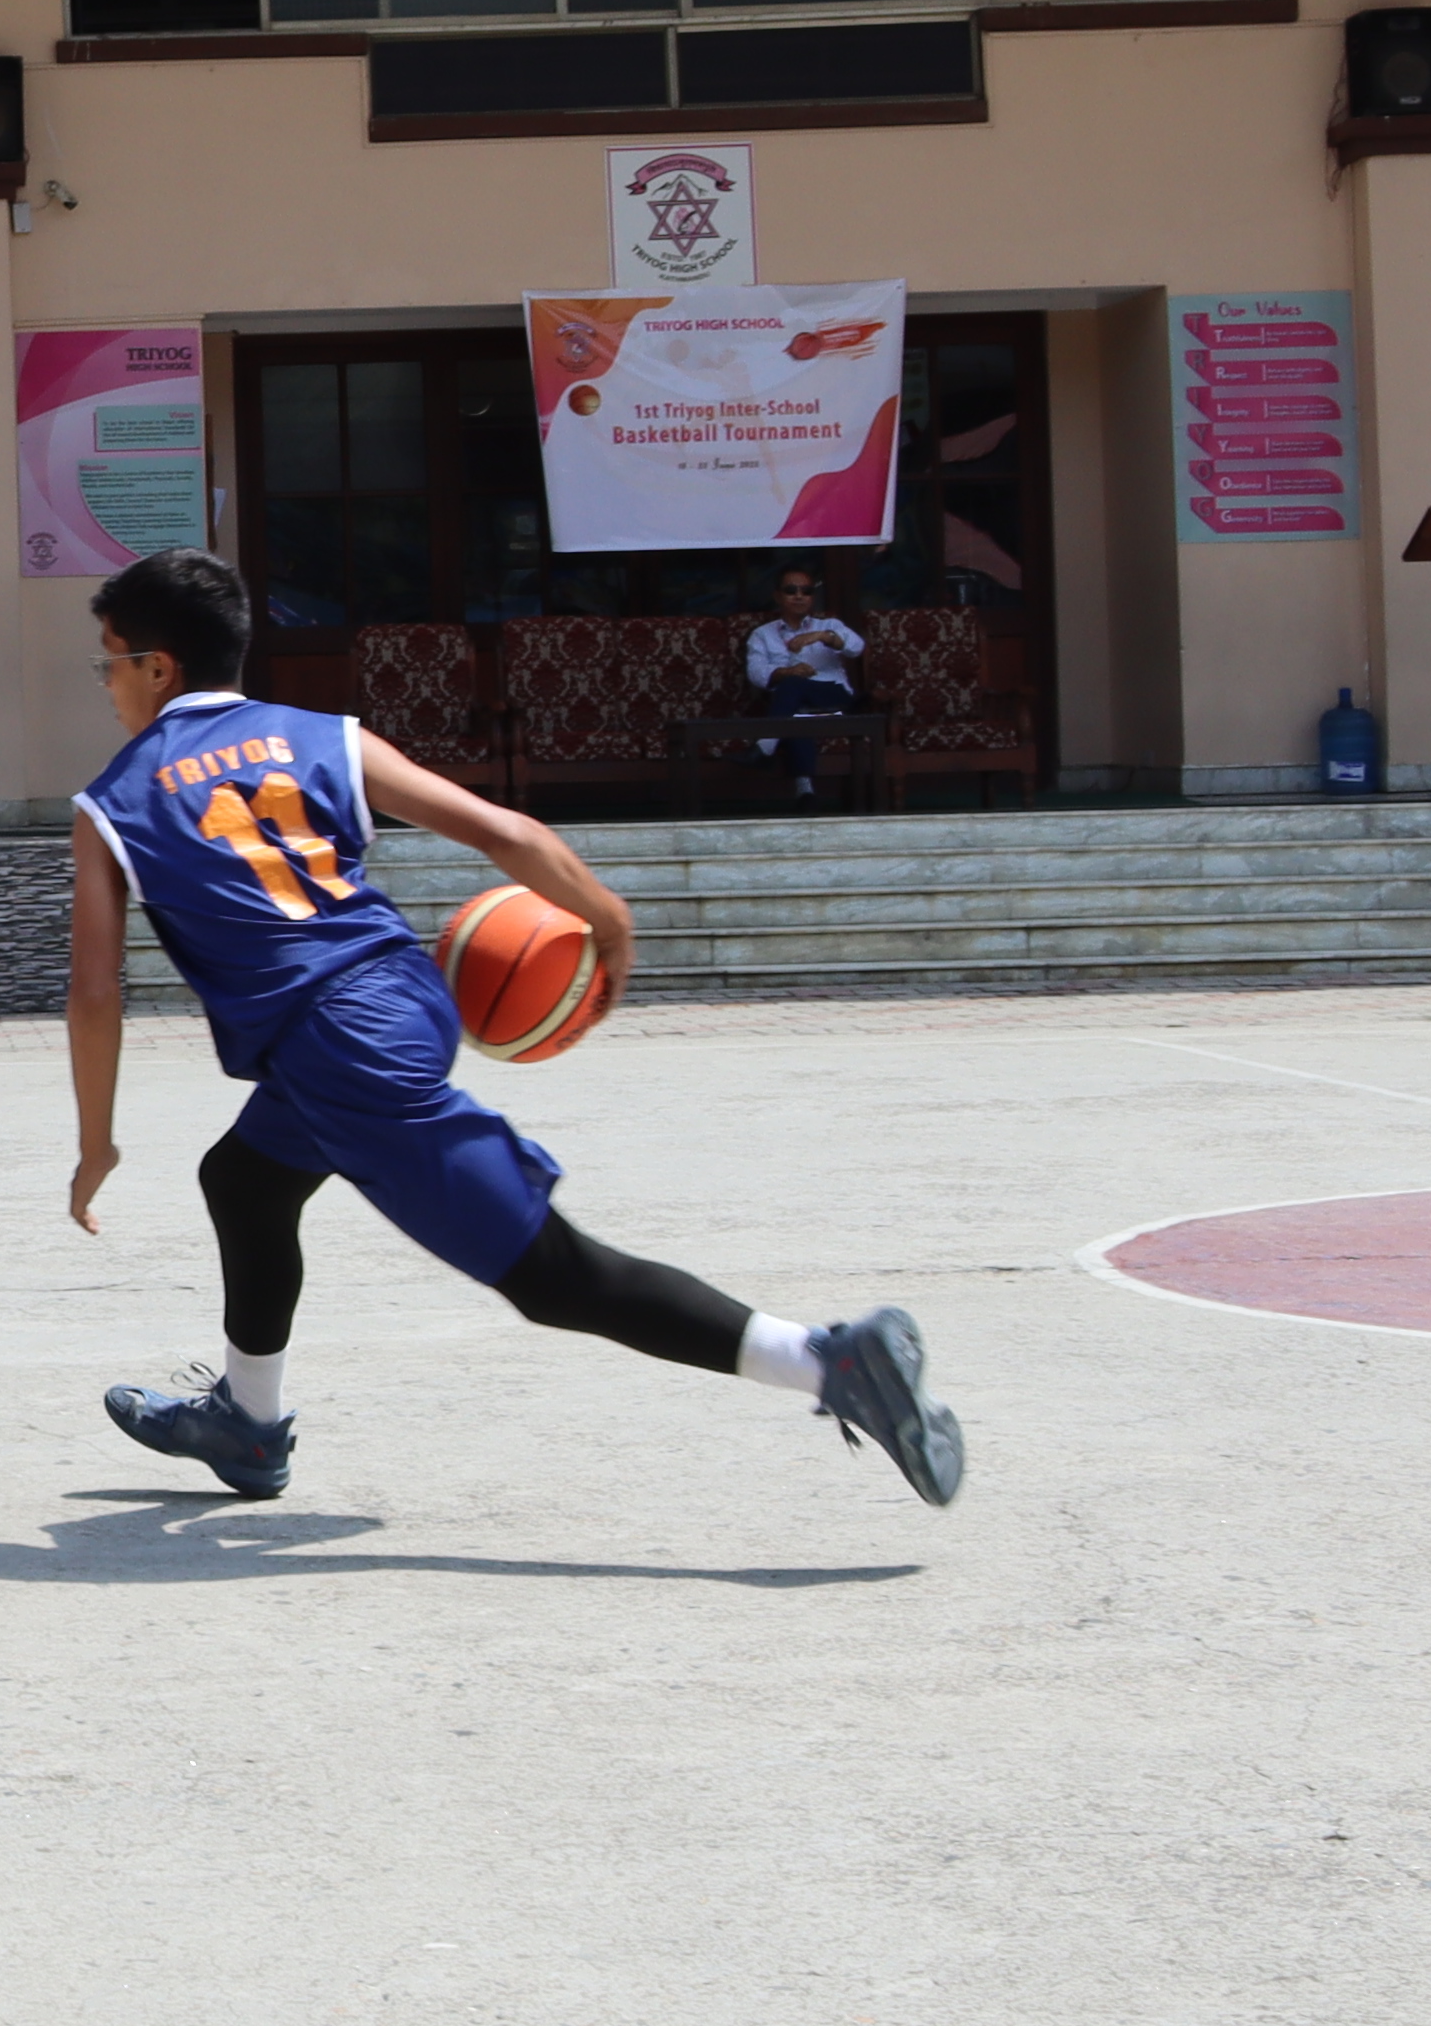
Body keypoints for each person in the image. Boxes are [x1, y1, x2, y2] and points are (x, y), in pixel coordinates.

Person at [63, 545, 963, 1512]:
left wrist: (96, 1143)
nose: (106, 682)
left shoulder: (116, 798)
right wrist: (608, 918)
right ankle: (248, 1423)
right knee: (243, 1178)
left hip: (339, 1050)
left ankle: (829, 1362)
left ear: (159, 667)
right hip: (403, 992)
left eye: (109, 660)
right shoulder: (324, 736)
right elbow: (506, 834)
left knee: (551, 1277)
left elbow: (94, 992)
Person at [744, 564, 869, 809]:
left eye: (806, 591)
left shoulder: (829, 625)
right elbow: (756, 674)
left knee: (792, 688)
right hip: (794, 705)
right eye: (791, 590)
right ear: (778, 596)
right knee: (795, 708)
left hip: (834, 700)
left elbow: (856, 647)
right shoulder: (762, 634)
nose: (799, 596)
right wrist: (787, 672)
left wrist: (822, 637)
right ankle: (805, 793)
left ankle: (766, 746)